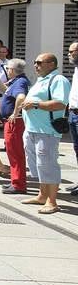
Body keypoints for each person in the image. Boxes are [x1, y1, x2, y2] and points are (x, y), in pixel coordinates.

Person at [21, 53, 70, 214]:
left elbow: (60, 103)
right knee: (38, 164)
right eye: (35, 62)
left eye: (39, 62)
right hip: (32, 129)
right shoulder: (42, 80)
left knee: (48, 164)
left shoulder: (58, 80)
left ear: (51, 64)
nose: (36, 65)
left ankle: (52, 201)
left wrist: (35, 104)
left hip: (47, 130)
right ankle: (42, 195)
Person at [0, 59, 31, 195]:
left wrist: (15, 113)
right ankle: (15, 180)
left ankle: (18, 184)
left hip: (15, 123)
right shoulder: (16, 81)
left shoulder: (20, 82)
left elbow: (21, 97)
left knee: (15, 152)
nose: (7, 70)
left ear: (12, 70)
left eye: (8, 68)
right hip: (12, 122)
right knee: (12, 152)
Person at [67, 42, 78, 193]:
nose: (69, 54)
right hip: (73, 113)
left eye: (72, 51)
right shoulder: (76, 69)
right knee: (76, 149)